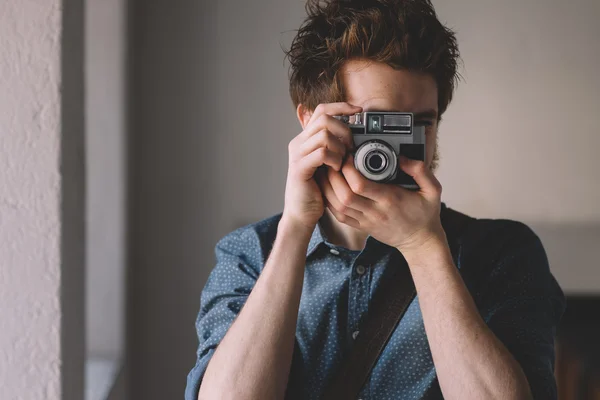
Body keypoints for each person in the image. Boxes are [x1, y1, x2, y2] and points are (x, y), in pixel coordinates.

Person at [185, 0, 565, 399]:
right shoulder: (249, 255)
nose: (399, 149)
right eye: (378, 124)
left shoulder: (502, 254)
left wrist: (424, 248)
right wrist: (295, 229)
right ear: (312, 122)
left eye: (420, 124)